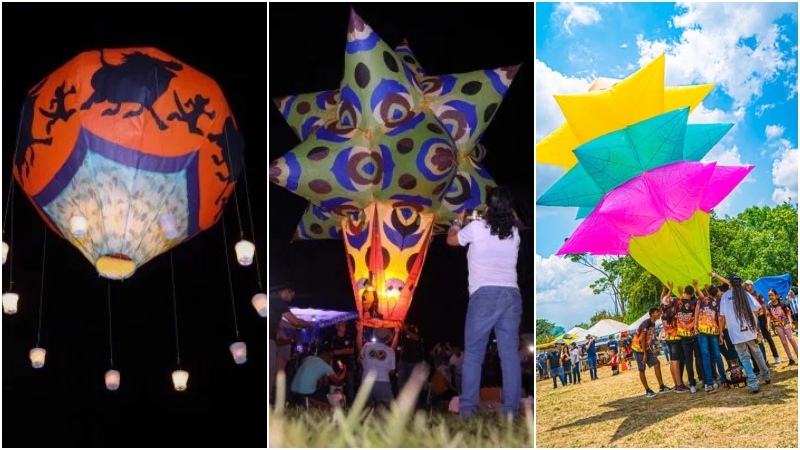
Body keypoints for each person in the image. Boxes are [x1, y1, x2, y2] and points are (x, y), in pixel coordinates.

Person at [447, 186, 522, 419]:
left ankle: (467, 410)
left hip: (484, 296)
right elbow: (513, 220)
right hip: (511, 295)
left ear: (488, 206)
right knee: (509, 356)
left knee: (474, 354)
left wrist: (458, 222)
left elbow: (451, 241)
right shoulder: (514, 233)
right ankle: (511, 412)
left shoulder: (476, 227)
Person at [717, 273, 771, 393]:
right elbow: (757, 308)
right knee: (757, 352)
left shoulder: (725, 297)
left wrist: (721, 333)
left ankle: (753, 382)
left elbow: (721, 317)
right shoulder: (745, 294)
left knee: (744, 357)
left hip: (735, 332)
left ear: (729, 284)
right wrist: (755, 323)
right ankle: (766, 375)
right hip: (749, 329)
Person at [269, 285, 313, 405]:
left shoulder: (271, 301)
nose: (293, 297)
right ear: (286, 291)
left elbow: (287, 324)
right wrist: (308, 325)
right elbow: (295, 321)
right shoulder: (278, 301)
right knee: (270, 371)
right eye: (292, 294)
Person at [356, 323, 400, 407]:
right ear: (387, 338)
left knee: (364, 409)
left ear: (375, 336)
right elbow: (392, 371)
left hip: (367, 382)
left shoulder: (367, 346)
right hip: (383, 383)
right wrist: (397, 333)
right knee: (389, 408)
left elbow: (359, 348)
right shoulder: (390, 351)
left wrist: (359, 331)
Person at [632, 307, 672, 398]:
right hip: (638, 348)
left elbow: (649, 338)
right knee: (642, 369)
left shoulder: (653, 324)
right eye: (657, 312)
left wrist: (652, 349)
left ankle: (662, 386)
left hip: (646, 348)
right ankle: (647, 390)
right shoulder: (646, 324)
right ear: (652, 314)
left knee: (657, 363)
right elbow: (642, 339)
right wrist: (645, 354)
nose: (659, 313)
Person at [697, 285, 728, 393]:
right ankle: (724, 380)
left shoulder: (702, 300)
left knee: (706, 356)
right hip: (714, 331)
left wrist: (696, 286)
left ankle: (709, 383)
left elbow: (698, 307)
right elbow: (720, 319)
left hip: (702, 330)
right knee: (717, 355)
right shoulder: (717, 304)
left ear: (708, 293)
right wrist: (720, 334)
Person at [661, 285, 690, 393]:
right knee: (675, 361)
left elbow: (662, 299)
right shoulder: (672, 310)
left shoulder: (663, 309)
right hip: (675, 337)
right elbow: (681, 302)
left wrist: (666, 289)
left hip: (668, 337)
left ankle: (676, 383)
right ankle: (679, 385)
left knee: (673, 360)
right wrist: (679, 293)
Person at [745, 280, 781, 364]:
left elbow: (764, 307)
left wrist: (766, 321)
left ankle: (776, 356)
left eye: (749, 285)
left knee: (768, 337)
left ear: (752, 285)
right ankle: (763, 360)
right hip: (753, 318)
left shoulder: (758, 295)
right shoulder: (746, 296)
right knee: (758, 339)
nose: (747, 287)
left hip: (761, 317)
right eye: (746, 285)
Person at [676, 283, 702, 393]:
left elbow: (678, 294)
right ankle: (703, 380)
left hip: (683, 336)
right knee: (699, 358)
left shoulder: (678, 302)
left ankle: (692, 384)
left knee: (688, 361)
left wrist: (680, 292)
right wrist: (697, 287)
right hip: (694, 334)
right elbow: (702, 298)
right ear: (692, 294)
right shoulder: (695, 302)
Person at [766, 289, 798, 365]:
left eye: (772, 295)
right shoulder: (769, 306)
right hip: (777, 326)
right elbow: (768, 316)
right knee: (784, 342)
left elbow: (788, 313)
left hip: (785, 324)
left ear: (776, 296)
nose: (770, 297)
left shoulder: (781, 304)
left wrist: (790, 322)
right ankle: (790, 359)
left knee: (791, 339)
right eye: (769, 295)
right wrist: (768, 324)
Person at [331, 321, 357, 404]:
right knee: (338, 385)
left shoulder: (349, 337)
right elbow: (333, 353)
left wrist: (341, 351)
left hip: (349, 365)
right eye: (342, 325)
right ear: (337, 327)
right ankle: (337, 403)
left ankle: (351, 404)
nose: (344, 327)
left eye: (345, 325)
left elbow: (352, 350)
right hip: (337, 365)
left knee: (350, 385)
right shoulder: (334, 339)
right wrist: (345, 351)